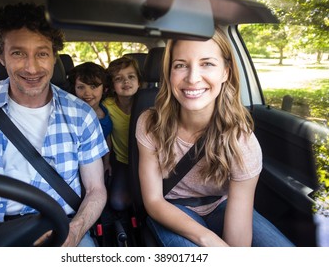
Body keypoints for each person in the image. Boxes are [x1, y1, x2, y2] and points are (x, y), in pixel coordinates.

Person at [0, 3, 109, 247]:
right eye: (18, 53)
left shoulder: (81, 114)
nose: (31, 68)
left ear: (53, 57)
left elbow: (96, 189)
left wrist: (75, 230)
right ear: (1, 56)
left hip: (61, 227)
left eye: (41, 53)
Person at [136, 26, 294, 247]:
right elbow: (153, 201)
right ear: (169, 72)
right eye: (180, 65)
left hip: (222, 206)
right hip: (171, 207)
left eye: (207, 64)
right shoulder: (150, 124)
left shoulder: (242, 141)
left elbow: (239, 234)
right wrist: (208, 240)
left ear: (226, 72)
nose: (192, 78)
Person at [103, 56, 141, 211]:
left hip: (151, 162)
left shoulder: (151, 103)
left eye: (131, 77)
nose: (126, 82)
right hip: (123, 162)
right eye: (119, 79)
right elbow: (107, 136)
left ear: (139, 81)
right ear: (112, 86)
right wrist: (106, 162)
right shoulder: (108, 106)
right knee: (118, 202)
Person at [69, 62, 112, 174]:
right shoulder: (71, 114)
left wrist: (106, 163)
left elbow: (106, 138)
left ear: (105, 89)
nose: (87, 93)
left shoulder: (106, 110)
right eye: (80, 87)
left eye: (93, 87)